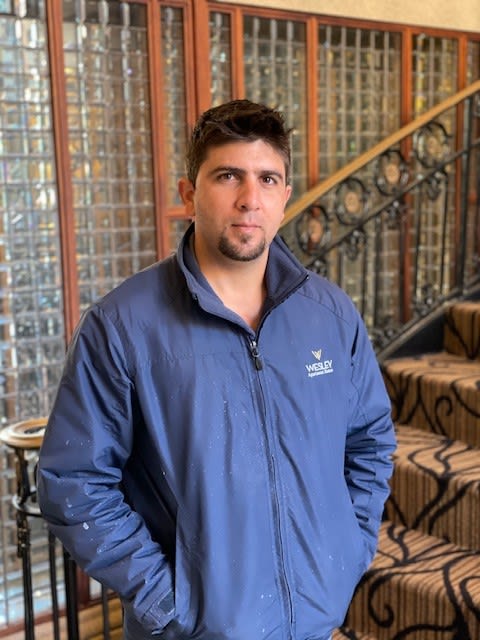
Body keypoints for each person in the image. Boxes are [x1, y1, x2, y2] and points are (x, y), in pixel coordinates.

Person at [37, 99, 396, 640]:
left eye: (268, 179)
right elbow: (75, 481)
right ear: (189, 194)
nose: (250, 199)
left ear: (285, 196)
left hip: (315, 620)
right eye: (228, 175)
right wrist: (168, 602)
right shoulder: (122, 326)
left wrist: (349, 546)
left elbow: (369, 440)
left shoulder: (329, 313)